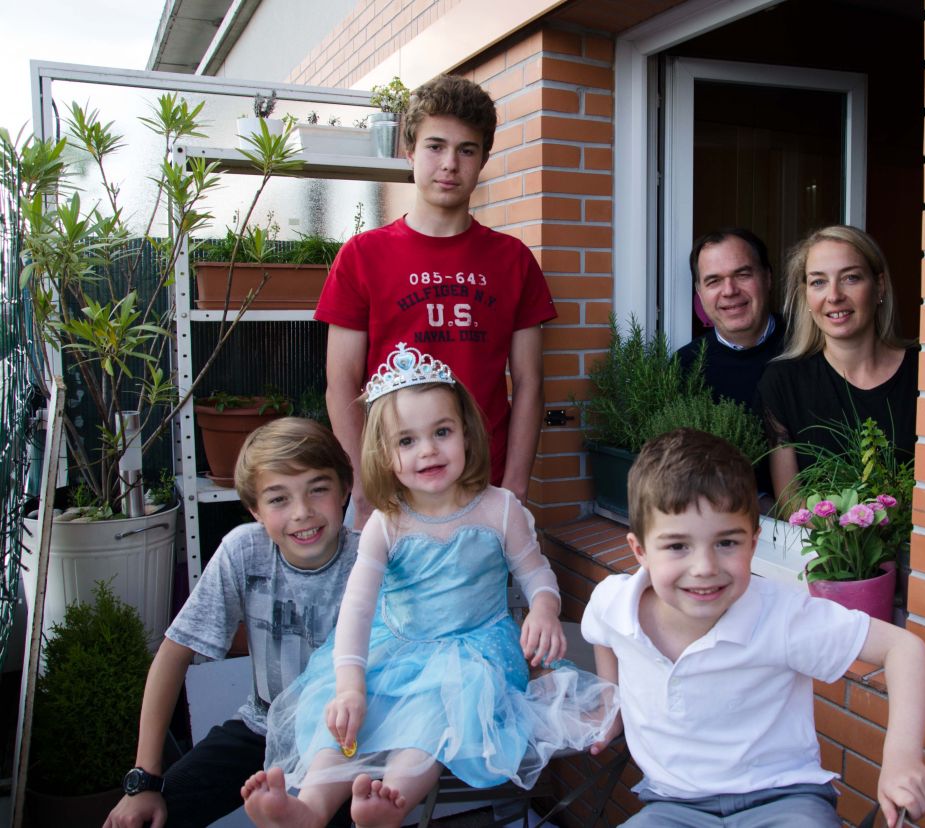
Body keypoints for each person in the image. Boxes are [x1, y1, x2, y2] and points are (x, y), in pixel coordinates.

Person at [242, 344, 619, 828]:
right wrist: (350, 684)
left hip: (474, 654)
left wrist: (544, 608)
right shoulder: (387, 524)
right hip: (395, 646)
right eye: (407, 441)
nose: (428, 450)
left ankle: (390, 800)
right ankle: (310, 806)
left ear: (466, 433)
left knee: (434, 720)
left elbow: (535, 573)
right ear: (385, 454)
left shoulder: (500, 509)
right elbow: (356, 609)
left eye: (442, 432)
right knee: (343, 719)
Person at [582, 428, 925, 827]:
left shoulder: (781, 615)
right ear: (640, 551)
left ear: (754, 542)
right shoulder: (614, 602)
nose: (705, 568)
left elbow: (903, 649)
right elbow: (601, 633)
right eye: (678, 546)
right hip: (673, 806)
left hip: (782, 800)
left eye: (727, 543)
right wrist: (612, 706)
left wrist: (901, 759)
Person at [317, 74, 556, 529]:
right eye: (435, 146)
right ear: (409, 151)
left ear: (484, 159)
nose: (449, 163)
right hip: (392, 485)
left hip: (482, 484)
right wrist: (364, 487)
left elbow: (529, 384)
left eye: (467, 150)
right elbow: (341, 383)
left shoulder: (514, 261)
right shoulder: (362, 256)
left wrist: (517, 486)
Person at [104, 418, 359, 828]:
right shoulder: (244, 550)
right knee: (152, 815)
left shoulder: (369, 560)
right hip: (262, 724)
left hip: (346, 740)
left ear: (345, 487)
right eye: (278, 499)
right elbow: (174, 653)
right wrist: (143, 781)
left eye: (318, 488)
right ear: (254, 509)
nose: (302, 512)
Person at [756, 225, 919, 506]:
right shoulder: (782, 382)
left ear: (879, 285)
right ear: (806, 294)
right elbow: (791, 505)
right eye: (818, 282)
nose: (834, 296)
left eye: (851, 278)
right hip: (825, 548)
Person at [676, 228, 786, 410]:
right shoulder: (683, 368)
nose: (729, 291)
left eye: (742, 275)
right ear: (699, 292)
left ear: (767, 278)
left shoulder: (809, 346)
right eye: (714, 281)